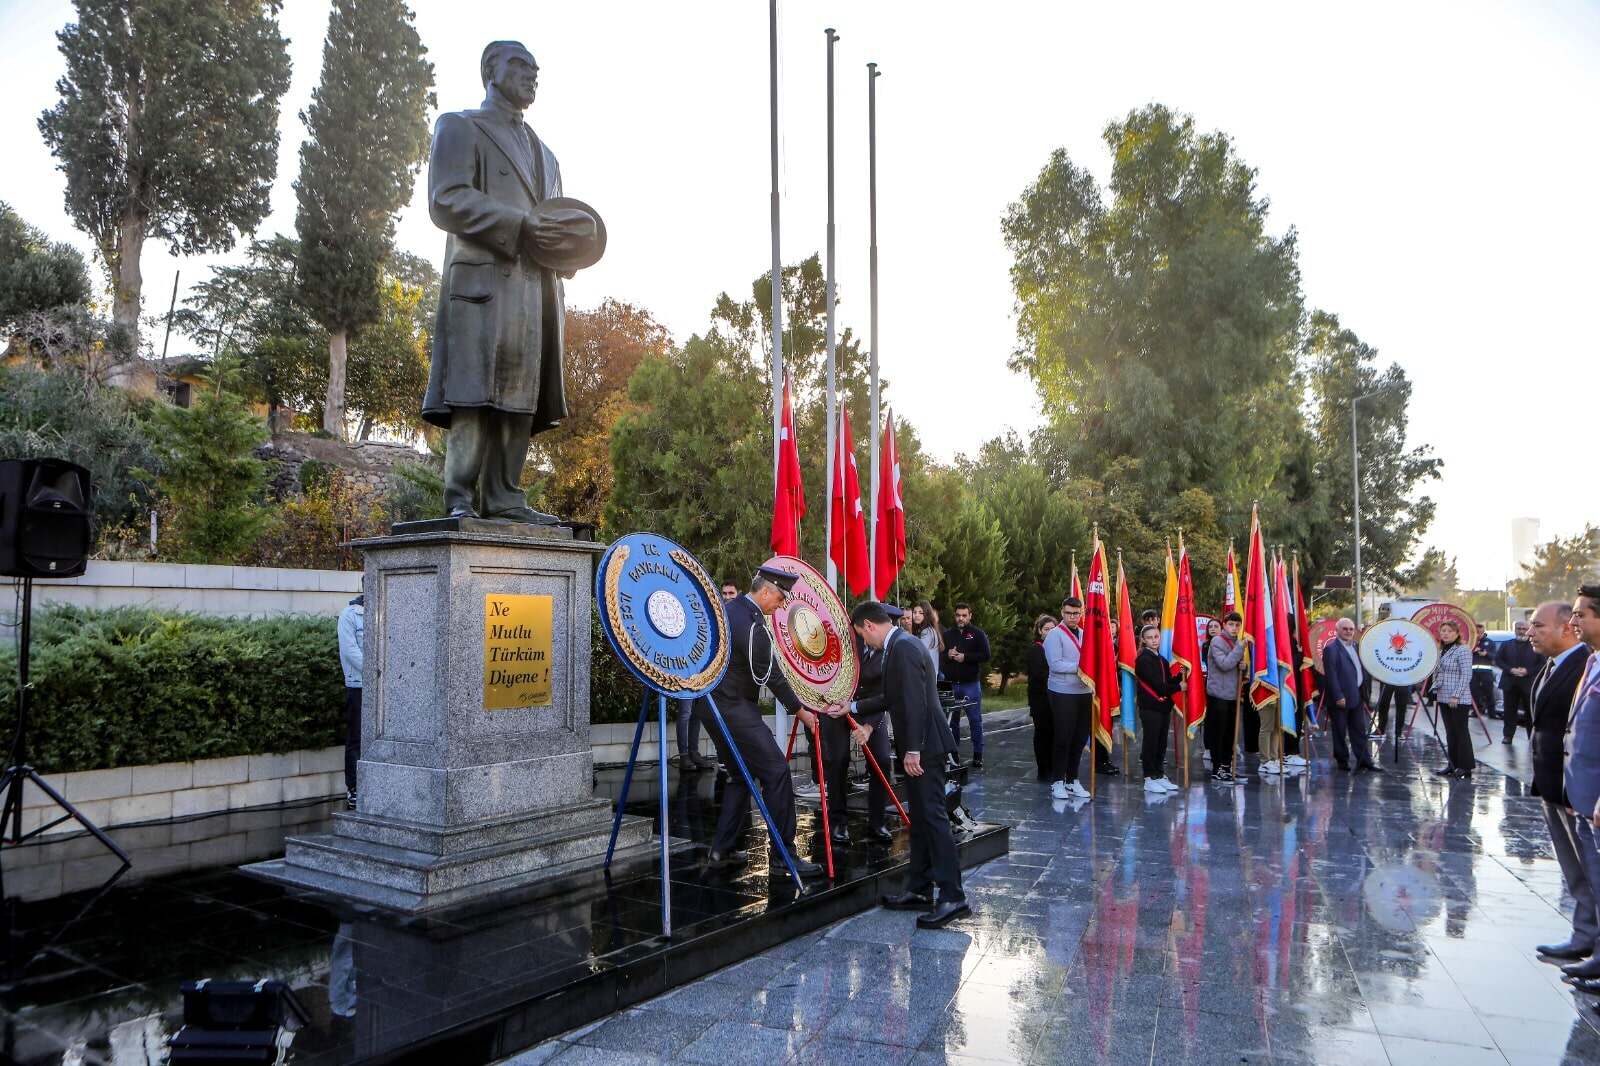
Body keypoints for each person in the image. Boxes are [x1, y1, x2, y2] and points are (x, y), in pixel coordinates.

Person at [691, 566, 823, 876]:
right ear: (764, 592)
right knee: (776, 771)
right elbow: (772, 675)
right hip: (734, 706)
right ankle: (783, 857)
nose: (780, 605)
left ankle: (721, 849)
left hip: (710, 706)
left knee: (741, 775)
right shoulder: (751, 623)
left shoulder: (726, 611)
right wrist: (801, 710)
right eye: (779, 598)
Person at [845, 600, 967, 928]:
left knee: (933, 817)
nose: (863, 642)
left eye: (861, 635)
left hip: (925, 746)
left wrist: (912, 749)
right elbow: (891, 697)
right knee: (921, 818)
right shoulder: (897, 646)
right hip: (920, 745)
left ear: (869, 626)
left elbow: (915, 702)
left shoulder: (904, 648)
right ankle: (919, 887)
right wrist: (852, 706)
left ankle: (953, 896)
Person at [1522, 602, 1597, 967]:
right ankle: (1584, 937)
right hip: (1551, 784)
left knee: (1590, 868)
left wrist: (1574, 790)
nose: (1529, 631)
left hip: (1575, 789)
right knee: (1574, 869)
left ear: (1566, 628)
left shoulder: (1586, 663)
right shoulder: (1550, 665)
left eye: (1538, 625)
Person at [820, 620, 895, 847]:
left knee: (882, 759)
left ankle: (877, 822)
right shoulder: (841, 641)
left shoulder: (890, 651)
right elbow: (822, 672)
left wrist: (869, 727)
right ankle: (838, 823)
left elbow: (886, 693)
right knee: (838, 759)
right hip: (835, 707)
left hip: (870, 709)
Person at [1045, 596, 1093, 801]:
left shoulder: (1085, 634)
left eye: (1076, 613)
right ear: (1062, 613)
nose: (1072, 617)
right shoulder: (1055, 635)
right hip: (1062, 692)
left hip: (1084, 692)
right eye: (1068, 613)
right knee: (1063, 737)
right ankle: (1058, 781)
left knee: (1080, 738)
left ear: (1081, 613)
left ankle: (1073, 779)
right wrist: (1082, 668)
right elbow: (1055, 664)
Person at [1323, 617, 1380, 773]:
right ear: (1337, 630)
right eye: (1345, 629)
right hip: (1340, 698)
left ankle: (1364, 761)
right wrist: (1338, 696)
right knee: (1340, 731)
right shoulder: (1331, 649)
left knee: (1359, 730)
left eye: (1351, 629)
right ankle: (1342, 761)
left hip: (1357, 696)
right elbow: (1331, 675)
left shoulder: (1356, 646)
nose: (1348, 632)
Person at [1135, 624, 1182, 794]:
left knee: (1162, 742)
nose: (1154, 640)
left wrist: (1180, 674)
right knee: (1151, 742)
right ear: (1143, 640)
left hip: (1163, 707)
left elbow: (1168, 681)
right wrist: (1178, 688)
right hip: (1150, 707)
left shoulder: (1161, 659)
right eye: (1149, 637)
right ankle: (1149, 777)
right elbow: (1159, 686)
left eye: (1156, 637)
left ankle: (1159, 774)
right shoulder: (1143, 660)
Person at [943, 603, 991, 769]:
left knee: (975, 720)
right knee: (951, 721)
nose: (960, 618)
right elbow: (939, 656)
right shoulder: (947, 634)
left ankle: (978, 755)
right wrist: (947, 654)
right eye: (958, 615)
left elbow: (986, 655)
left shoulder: (977, 634)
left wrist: (966, 657)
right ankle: (953, 753)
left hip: (970, 684)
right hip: (949, 684)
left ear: (970, 616)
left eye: (964, 615)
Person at [1204, 611, 1245, 783]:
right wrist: (1240, 650)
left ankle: (1228, 767)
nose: (1234, 628)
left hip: (1232, 695)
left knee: (1229, 734)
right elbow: (1225, 664)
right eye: (1231, 624)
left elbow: (1236, 666)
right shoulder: (1217, 641)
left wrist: (1244, 666)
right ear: (1224, 624)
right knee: (1218, 734)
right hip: (1218, 695)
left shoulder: (1237, 642)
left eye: (1237, 625)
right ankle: (1217, 768)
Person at [1432, 620, 1476, 778]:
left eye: (1449, 631)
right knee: (1450, 732)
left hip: (1458, 698)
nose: (1445, 633)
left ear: (1457, 633)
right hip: (1443, 696)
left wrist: (1456, 695)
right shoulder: (1441, 650)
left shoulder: (1462, 650)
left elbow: (1466, 675)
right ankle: (1452, 764)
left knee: (1461, 732)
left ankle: (1466, 766)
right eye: (1443, 630)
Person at [337, 594, 364, 809]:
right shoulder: (350, 615)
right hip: (359, 684)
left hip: (384, 684)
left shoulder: (385, 610)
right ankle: (353, 787)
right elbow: (350, 651)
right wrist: (377, 668)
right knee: (356, 737)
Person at [1497, 619, 1540, 743]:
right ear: (1514, 629)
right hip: (1510, 683)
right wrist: (1510, 670)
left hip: (1528, 684)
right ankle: (1508, 736)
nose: (1521, 631)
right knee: (1509, 711)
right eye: (1519, 629)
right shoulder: (1506, 645)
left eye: (1524, 629)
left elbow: (1542, 663)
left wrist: (1527, 671)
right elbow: (1498, 660)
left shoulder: (1535, 645)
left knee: (1529, 712)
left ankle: (1531, 737)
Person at [1026, 615, 1057, 782]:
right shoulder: (1036, 649)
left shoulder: (1056, 648)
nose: (1050, 632)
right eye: (1046, 629)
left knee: (1054, 733)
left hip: (1056, 698)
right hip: (1041, 700)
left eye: (1053, 629)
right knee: (1042, 733)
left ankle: (1053, 766)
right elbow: (1039, 675)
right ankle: (1043, 769)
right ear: (1039, 631)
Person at [1471, 622, 1499, 719]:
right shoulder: (1471, 643)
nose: (1479, 635)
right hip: (1473, 672)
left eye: (1480, 633)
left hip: (1486, 672)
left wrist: (1486, 654)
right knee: (1474, 692)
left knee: (1489, 692)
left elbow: (1495, 656)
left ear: (1484, 632)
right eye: (1477, 633)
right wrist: (1472, 651)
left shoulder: (1489, 642)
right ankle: (1476, 712)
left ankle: (1492, 713)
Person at [915, 600, 944, 676]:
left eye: (920, 613)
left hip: (926, 676)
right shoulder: (930, 629)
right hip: (930, 675)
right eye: (914, 612)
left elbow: (919, 655)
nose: (916, 615)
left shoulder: (926, 632)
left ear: (927, 614)